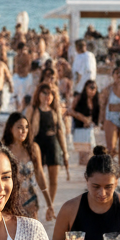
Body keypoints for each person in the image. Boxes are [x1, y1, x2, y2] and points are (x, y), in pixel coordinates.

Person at [2, 111, 54, 221]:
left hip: (31, 199)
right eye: (19, 127)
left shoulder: (33, 148)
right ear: (11, 128)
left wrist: (49, 203)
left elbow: (40, 175)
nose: (24, 131)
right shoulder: (4, 150)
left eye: (26, 127)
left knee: (31, 233)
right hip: (11, 200)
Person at [28, 82, 70, 212]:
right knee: (38, 176)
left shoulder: (55, 110)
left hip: (53, 143)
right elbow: (28, 130)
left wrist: (65, 152)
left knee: (54, 179)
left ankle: (49, 206)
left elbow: (60, 132)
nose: (48, 96)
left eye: (50, 93)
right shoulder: (33, 109)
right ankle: (40, 200)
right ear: (39, 94)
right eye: (44, 93)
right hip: (38, 143)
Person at [70, 79, 100, 168]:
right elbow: (70, 110)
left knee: (91, 153)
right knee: (82, 155)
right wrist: (82, 118)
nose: (92, 90)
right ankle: (81, 174)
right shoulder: (79, 98)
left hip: (90, 129)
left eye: (94, 88)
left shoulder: (96, 100)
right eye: (90, 88)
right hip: (80, 129)